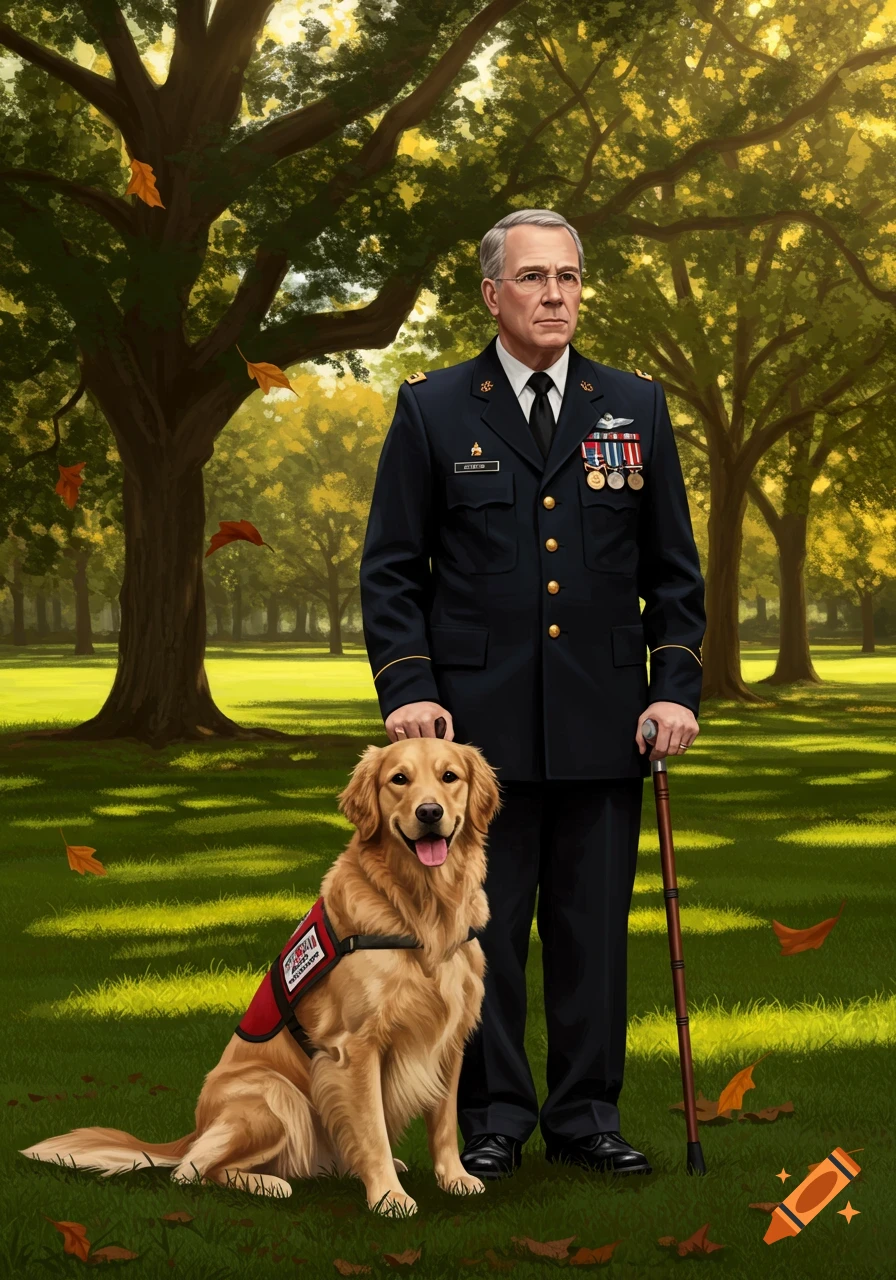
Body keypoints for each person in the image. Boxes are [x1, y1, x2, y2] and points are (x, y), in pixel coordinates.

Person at [358, 208, 705, 1179]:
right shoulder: (431, 408)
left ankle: (587, 1115)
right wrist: (409, 687)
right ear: (490, 293)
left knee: (591, 933)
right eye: (533, 278)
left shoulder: (631, 405)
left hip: (605, 718)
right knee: (482, 937)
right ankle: (490, 1116)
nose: (555, 294)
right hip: (473, 741)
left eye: (567, 277)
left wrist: (671, 686)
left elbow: (673, 572)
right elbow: (390, 566)